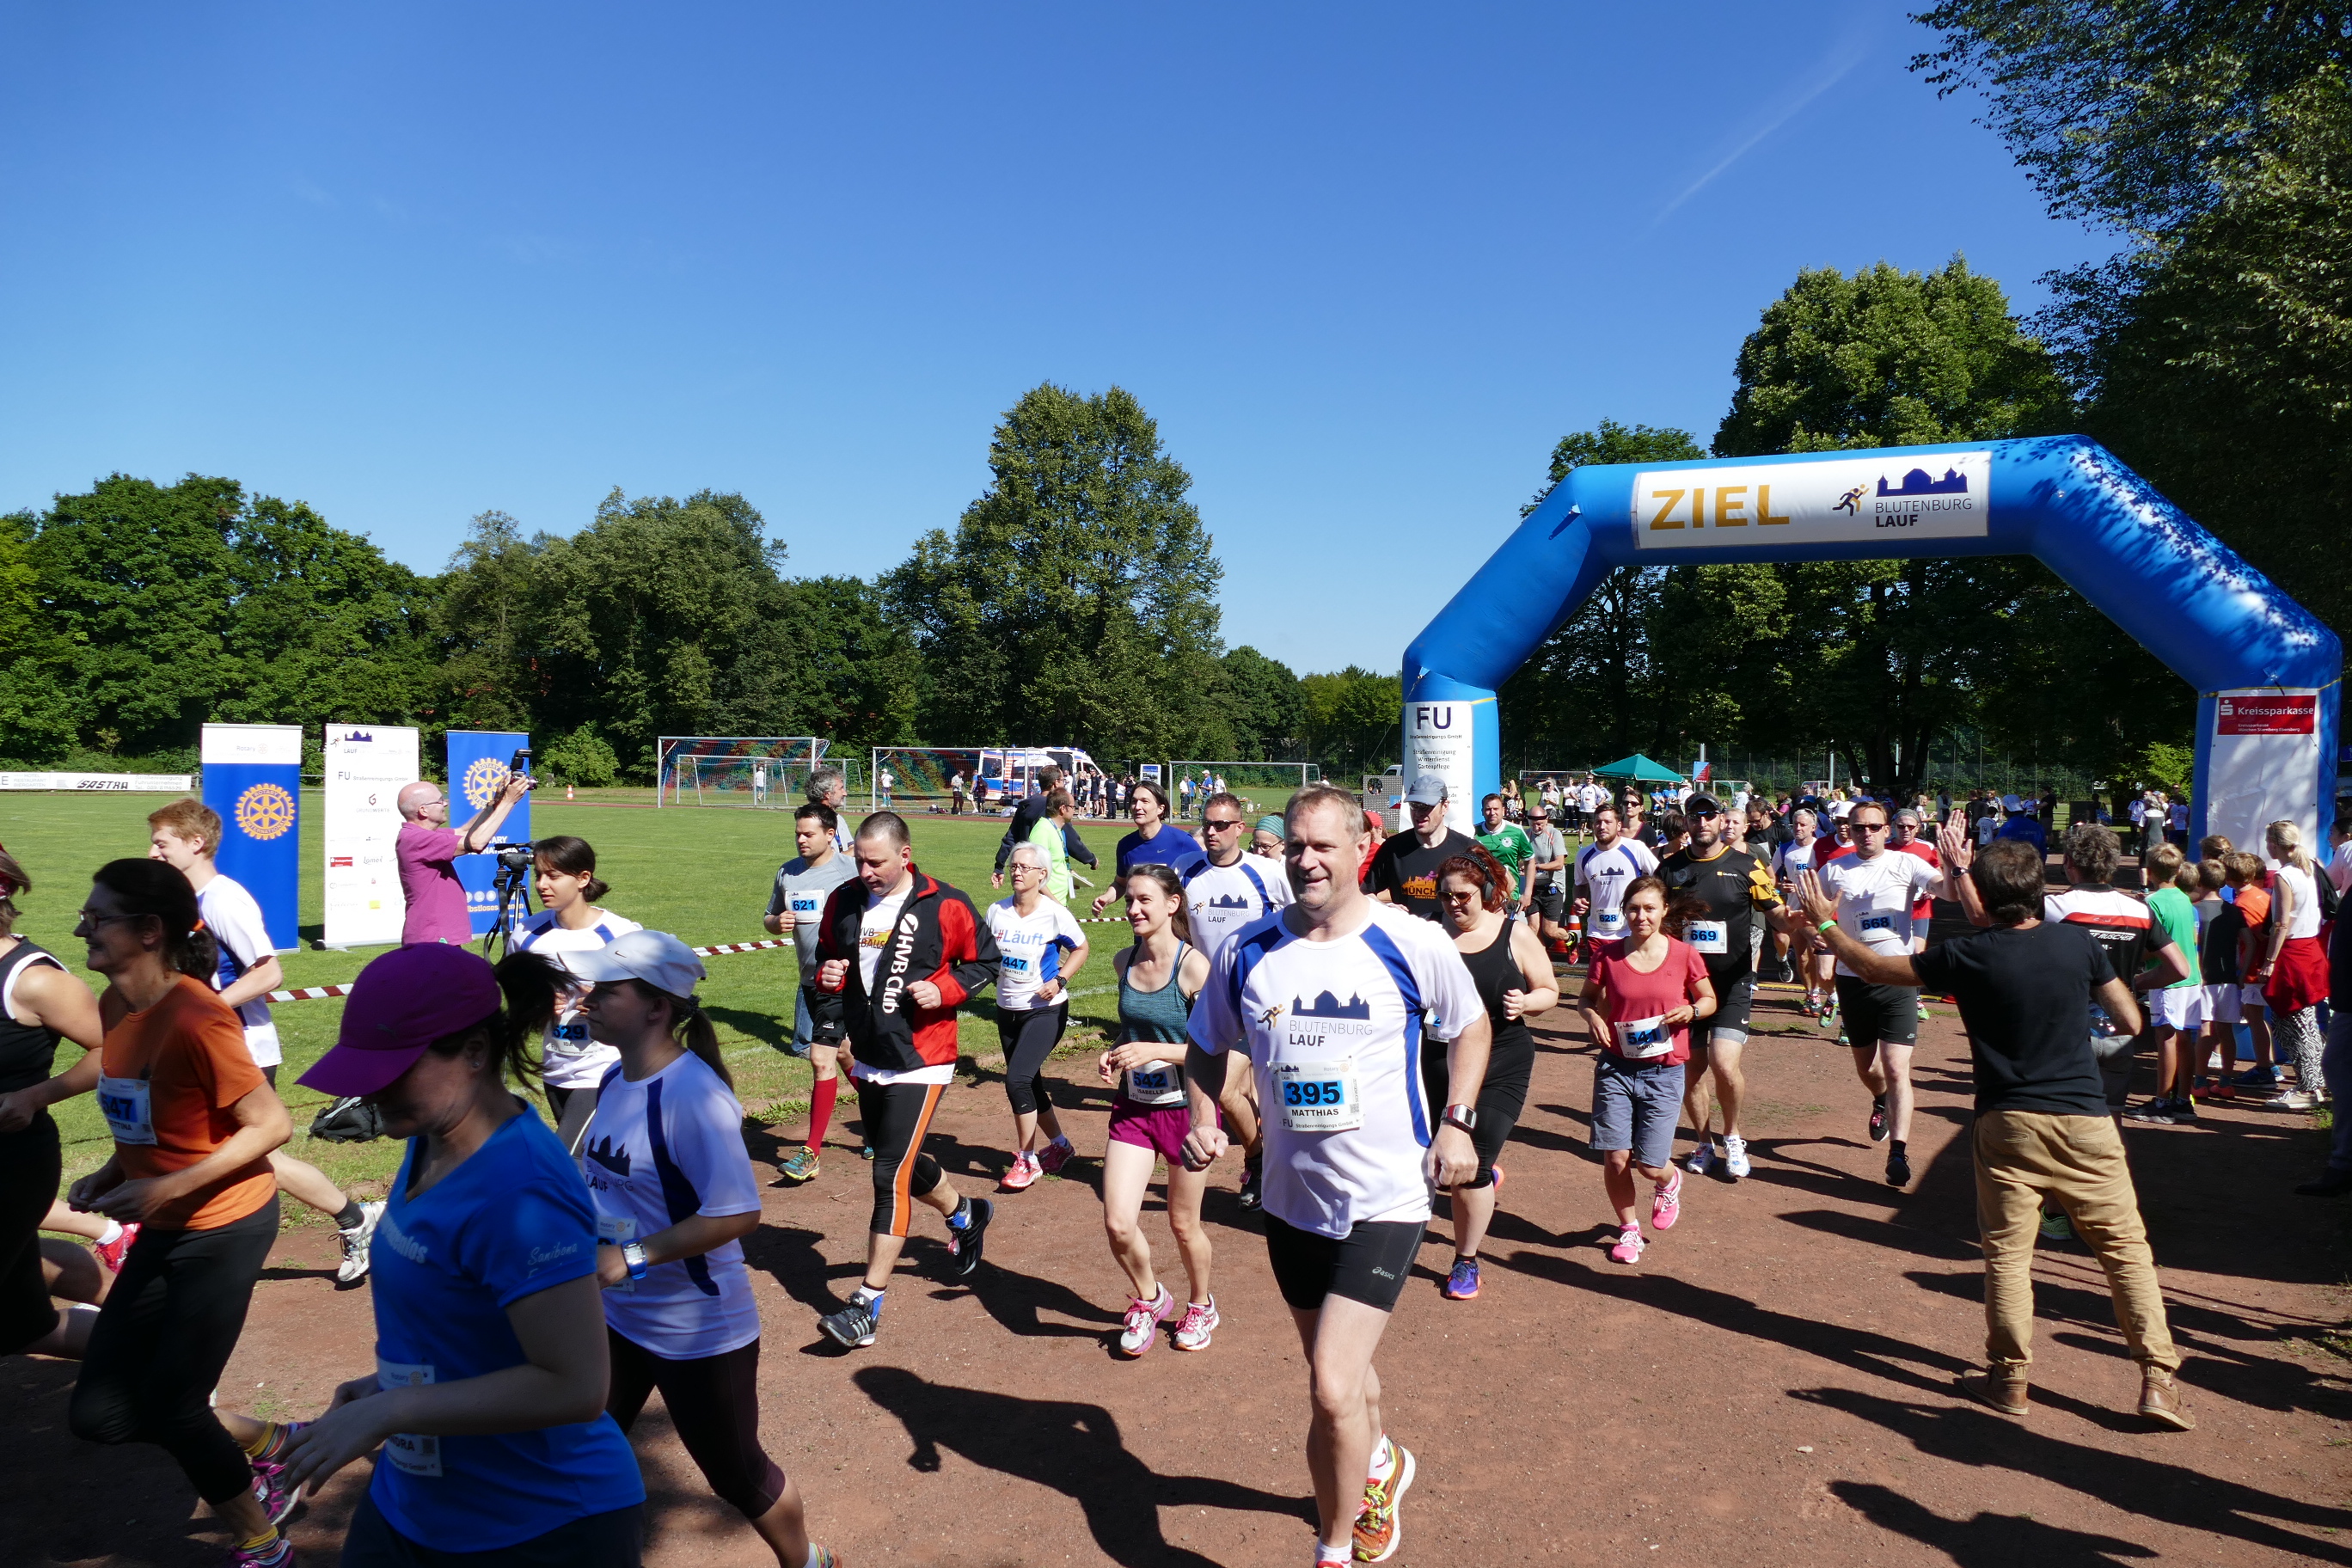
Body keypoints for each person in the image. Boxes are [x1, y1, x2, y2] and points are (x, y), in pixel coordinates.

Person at [1180, 785, 1489, 1567]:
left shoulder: (1410, 941)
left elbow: (1471, 1026)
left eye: (1323, 845)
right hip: (1290, 1200)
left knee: (1327, 1385)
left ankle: (1335, 1547)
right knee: (1341, 1373)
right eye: (1295, 845)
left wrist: (1458, 1120)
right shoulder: (1247, 950)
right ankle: (1380, 1462)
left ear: (1360, 849)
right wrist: (1203, 1117)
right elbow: (1206, 1044)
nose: (1307, 860)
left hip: (1387, 1195)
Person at [1797, 840, 2196, 1430]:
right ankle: (2157, 1382)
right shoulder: (2076, 943)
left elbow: (1878, 969)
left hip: (2007, 1119)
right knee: (2124, 1251)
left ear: (1981, 894)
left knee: (2009, 1255)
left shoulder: (1967, 953)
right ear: (2040, 891)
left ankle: (2009, 1379)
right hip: (2085, 1119)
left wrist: (1826, 922)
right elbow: (2130, 1020)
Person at [279, 942, 648, 1566]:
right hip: (418, 1501)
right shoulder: (430, 1137)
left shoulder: (522, 1191)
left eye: (395, 1068)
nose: (372, 1089)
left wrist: (394, 1409)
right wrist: (386, 1386)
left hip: (539, 1526)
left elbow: (578, 1386)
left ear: (475, 1053)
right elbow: (466, 1316)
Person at [566, 930, 840, 1568]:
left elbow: (738, 1211)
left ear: (657, 1008)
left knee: (737, 1475)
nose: (588, 999)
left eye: (607, 990)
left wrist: (631, 1258)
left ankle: (808, 1562)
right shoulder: (613, 1079)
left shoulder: (693, 1095)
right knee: (576, 1444)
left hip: (696, 1329)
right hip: (617, 1318)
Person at [62, 861, 296, 1568]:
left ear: (149, 931)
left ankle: (264, 1543)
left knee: (173, 1402)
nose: (81, 929)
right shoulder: (114, 1005)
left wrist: (168, 1187)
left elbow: (272, 1124)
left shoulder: (198, 1017)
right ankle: (265, 1440)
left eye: (97, 918)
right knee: (98, 1414)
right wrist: (114, 1171)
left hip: (225, 1224)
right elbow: (147, 1110)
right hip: (167, 1225)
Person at [146, 800, 388, 1283]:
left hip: (242, 1047)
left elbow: (269, 973)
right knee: (207, 1150)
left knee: (255, 1155)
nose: (152, 852)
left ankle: (355, 1219)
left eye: (161, 843)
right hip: (207, 1046)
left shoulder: (222, 899)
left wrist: (203, 1011)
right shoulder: (188, 900)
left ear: (196, 843)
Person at [807, 813, 1000, 1351]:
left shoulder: (946, 903)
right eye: (860, 861)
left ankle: (866, 1304)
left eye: (876, 862)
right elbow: (828, 960)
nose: (866, 871)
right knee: (903, 1162)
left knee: (888, 1172)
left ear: (905, 855)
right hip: (870, 1053)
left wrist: (947, 990)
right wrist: (827, 976)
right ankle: (965, 1213)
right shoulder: (844, 900)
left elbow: (986, 962)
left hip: (924, 1056)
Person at [1099, 865, 1220, 1356]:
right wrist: (1115, 1051)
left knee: (1183, 1224)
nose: (1133, 909)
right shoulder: (1122, 960)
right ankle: (1150, 1298)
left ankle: (1201, 1304)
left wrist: (1153, 1050)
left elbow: (1215, 1049)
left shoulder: (1193, 968)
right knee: (1118, 1222)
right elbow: (1134, 1031)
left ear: (1172, 905)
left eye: (1144, 900)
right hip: (1134, 1107)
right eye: (1129, 899)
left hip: (1187, 1112)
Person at [0, 848, 110, 1362]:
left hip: (11, 1166)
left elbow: (117, 1050)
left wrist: (34, 1096)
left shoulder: (34, 980)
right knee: (24, 1328)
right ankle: (169, 1356)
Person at [1431, 848, 1556, 1298]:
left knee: (1473, 1162)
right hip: (1437, 1062)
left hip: (1503, 1061)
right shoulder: (1429, 935)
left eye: (1463, 896)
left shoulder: (1512, 934)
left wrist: (1527, 1002)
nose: (1454, 904)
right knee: (1434, 1164)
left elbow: (1550, 990)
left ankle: (1465, 1261)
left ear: (1484, 892)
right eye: (1446, 896)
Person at [1815, 800, 1956, 1187]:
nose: (1866, 833)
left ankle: (1898, 1152)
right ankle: (1880, 1099)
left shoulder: (1906, 863)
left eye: (1874, 827)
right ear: (1849, 830)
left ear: (1886, 830)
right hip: (1852, 979)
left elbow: (1948, 892)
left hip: (1899, 978)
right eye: (1859, 827)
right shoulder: (1833, 870)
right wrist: (1817, 934)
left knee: (1896, 1069)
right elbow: (1810, 913)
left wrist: (1954, 864)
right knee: (1869, 1069)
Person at [1576, 877, 1714, 1265]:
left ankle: (1670, 1181)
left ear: (1664, 910)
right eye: (1634, 908)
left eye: (1650, 908)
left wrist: (1692, 1010)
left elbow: (1708, 999)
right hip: (1616, 1068)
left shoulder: (1684, 954)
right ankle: (1629, 1230)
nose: (1641, 916)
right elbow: (1586, 999)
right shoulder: (1608, 955)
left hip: (1663, 1072)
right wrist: (1592, 1017)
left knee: (1650, 1164)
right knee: (1616, 1157)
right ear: (1624, 911)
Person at [1660, 793, 1784, 1180]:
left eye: (1709, 815)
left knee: (1724, 1065)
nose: (1703, 822)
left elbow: (1778, 914)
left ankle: (1733, 1137)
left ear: (1721, 821)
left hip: (1732, 984)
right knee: (1693, 1071)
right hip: (1686, 989)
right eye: (1695, 816)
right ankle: (1703, 1142)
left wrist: (1808, 923)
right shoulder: (1669, 870)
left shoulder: (1747, 866)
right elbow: (1652, 919)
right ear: (1686, 823)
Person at [1181, 792, 1288, 1208]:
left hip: (1258, 998)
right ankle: (1266, 1158)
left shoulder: (1268, 873)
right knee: (1239, 1089)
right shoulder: (1186, 869)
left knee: (1227, 1090)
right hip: (1206, 998)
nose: (1212, 831)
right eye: (1207, 823)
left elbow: (1302, 918)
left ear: (1240, 828)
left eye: (1222, 824)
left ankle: (1260, 1161)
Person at [509, 835, 645, 1152]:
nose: (542, 885)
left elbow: (651, 1003)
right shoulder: (526, 935)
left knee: (568, 1159)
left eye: (553, 876)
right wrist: (538, 1004)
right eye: (538, 875)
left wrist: (602, 1000)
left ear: (583, 878)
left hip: (607, 1071)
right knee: (601, 1162)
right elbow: (516, 1002)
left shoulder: (620, 934)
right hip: (557, 1070)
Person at [766, 803, 861, 1183]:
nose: (801, 840)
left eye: (809, 834)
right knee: (844, 1053)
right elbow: (769, 917)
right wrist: (776, 922)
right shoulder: (787, 872)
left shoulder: (851, 872)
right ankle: (879, 1120)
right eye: (797, 834)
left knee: (821, 1059)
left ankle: (811, 1152)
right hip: (810, 980)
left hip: (843, 981)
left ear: (830, 834)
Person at [988, 842, 1089, 1191]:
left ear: (1042, 874)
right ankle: (1060, 1145)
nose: (1017, 871)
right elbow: (984, 953)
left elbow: (1081, 947)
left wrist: (1060, 979)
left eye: (1024, 867)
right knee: (1029, 1082)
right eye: (1014, 866)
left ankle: (1027, 1160)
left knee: (1016, 1080)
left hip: (1046, 1010)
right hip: (1007, 1008)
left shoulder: (1054, 914)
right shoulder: (997, 911)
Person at [395, 769, 535, 946]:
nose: (445, 804)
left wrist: (497, 800)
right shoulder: (416, 839)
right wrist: (509, 801)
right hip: (432, 937)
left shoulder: (422, 835)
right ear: (423, 810)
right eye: (440, 801)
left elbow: (466, 831)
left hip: (435, 935)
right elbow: (475, 842)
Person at [2123, 844, 2208, 1124]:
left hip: (2167, 978)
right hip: (2191, 976)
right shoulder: (2185, 898)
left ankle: (2162, 1102)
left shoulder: (2153, 902)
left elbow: (2151, 947)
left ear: (2149, 871)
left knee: (2166, 1039)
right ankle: (2182, 1100)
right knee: (2184, 1039)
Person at [2251, 819, 2330, 1110]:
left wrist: (2269, 961)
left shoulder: (2286, 875)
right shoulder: (2309, 867)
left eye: (2268, 842)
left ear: (2274, 844)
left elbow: (2281, 922)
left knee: (2294, 1022)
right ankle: (2315, 1081)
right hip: (2310, 950)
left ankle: (2309, 1087)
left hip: (2293, 954)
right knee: (2302, 1021)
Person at [1363, 775, 1481, 924]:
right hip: (1407, 935)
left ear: (1445, 806)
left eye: (1426, 806)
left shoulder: (1467, 848)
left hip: (1453, 936)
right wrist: (1384, 908)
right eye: (1414, 805)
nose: (1419, 813)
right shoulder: (1393, 848)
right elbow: (1364, 891)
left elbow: (1501, 888)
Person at [1092, 779, 1205, 916]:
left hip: (1176, 926)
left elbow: (1206, 880)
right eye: (1134, 801)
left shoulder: (1183, 842)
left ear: (1160, 808)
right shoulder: (1125, 845)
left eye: (1144, 801)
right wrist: (1106, 898)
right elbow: (1121, 883)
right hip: (1142, 925)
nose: (1137, 807)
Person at [1572, 802, 1661, 947]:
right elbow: (1580, 884)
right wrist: (1578, 899)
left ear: (1618, 825)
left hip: (1629, 931)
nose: (1602, 826)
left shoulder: (1635, 848)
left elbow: (1660, 877)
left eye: (1608, 822)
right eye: (1598, 822)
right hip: (1597, 932)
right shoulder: (1583, 855)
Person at [1773, 809, 1833, 1017]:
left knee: (1817, 951)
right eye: (1795, 824)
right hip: (1795, 909)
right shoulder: (1785, 849)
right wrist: (1782, 886)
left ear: (1813, 827)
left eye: (1803, 825)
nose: (1798, 828)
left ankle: (1820, 994)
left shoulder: (1821, 847)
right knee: (1802, 955)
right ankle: (1810, 994)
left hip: (1817, 911)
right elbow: (1771, 879)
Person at [1473, 793, 1536, 913]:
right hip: (1480, 895)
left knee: (1500, 924)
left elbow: (1530, 860)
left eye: (1496, 809)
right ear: (1482, 812)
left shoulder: (1516, 832)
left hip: (1508, 894)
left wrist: (1527, 893)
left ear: (1503, 810)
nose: (1492, 813)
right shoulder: (1474, 832)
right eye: (1488, 809)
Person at [1024, 787, 1080, 904]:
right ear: (1063, 809)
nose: (1074, 810)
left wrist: (1069, 876)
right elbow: (1034, 874)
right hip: (1046, 906)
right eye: (1072, 807)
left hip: (1056, 904)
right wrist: (1056, 904)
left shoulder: (1057, 830)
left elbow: (1056, 863)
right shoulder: (1043, 831)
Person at [1526, 805, 1570, 939]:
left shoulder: (1554, 834)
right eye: (1533, 824)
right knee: (1532, 928)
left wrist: (1537, 867)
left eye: (1540, 824)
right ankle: (1538, 952)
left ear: (1547, 820)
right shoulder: (1526, 835)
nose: (1536, 827)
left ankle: (1570, 938)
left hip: (1552, 887)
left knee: (1550, 931)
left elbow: (1559, 863)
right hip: (1533, 888)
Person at [806, 765, 854, 854]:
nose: (845, 793)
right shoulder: (813, 822)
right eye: (841, 788)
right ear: (827, 794)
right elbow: (829, 859)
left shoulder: (839, 819)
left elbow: (852, 847)